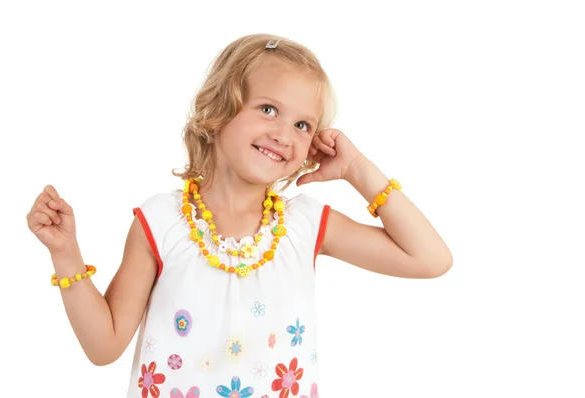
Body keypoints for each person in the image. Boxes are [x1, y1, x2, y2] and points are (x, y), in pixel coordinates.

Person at [26, 33, 452, 398]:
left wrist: (358, 169)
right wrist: (66, 255)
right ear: (218, 112)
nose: (284, 134)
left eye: (304, 125)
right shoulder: (160, 222)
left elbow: (430, 260)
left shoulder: (306, 225)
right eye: (268, 109)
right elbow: (104, 348)